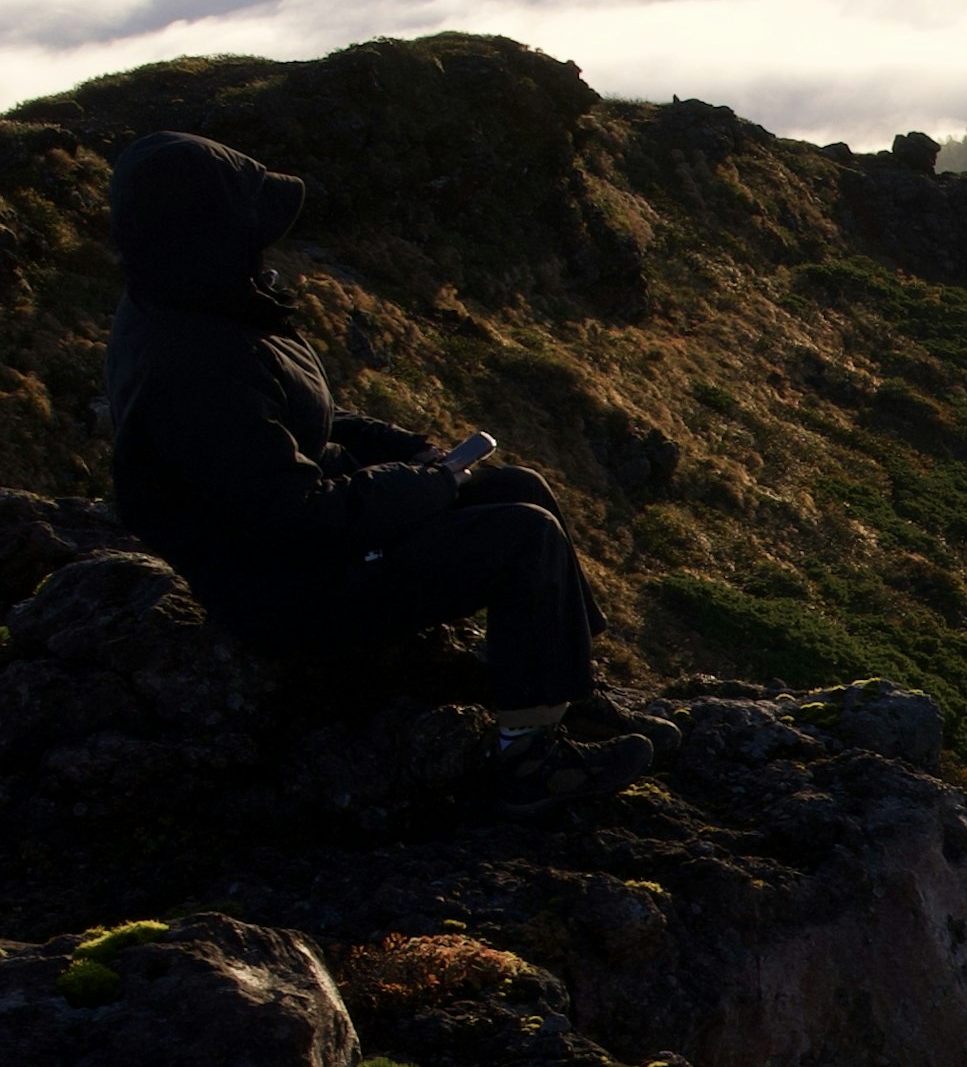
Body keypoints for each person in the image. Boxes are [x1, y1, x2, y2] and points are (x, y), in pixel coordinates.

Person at [104, 125, 610, 751]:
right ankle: (531, 754)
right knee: (520, 537)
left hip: (301, 556)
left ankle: (572, 689)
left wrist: (404, 448)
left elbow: (300, 421)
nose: (269, 247)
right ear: (212, 235)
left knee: (516, 485)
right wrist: (427, 485)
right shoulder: (192, 364)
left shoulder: (207, 307)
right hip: (284, 592)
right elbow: (291, 516)